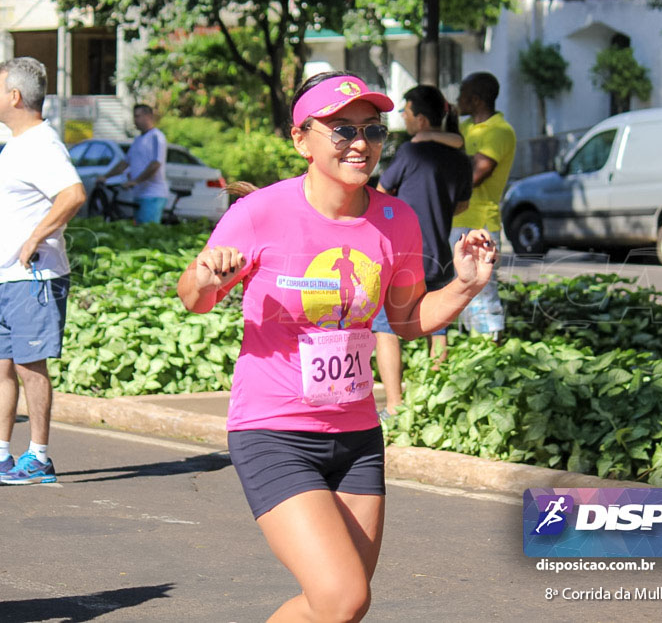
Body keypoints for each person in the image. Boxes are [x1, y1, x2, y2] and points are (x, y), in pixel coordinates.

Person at [176, 71, 496, 621]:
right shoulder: (260, 213)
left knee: (338, 608)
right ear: (302, 139)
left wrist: (464, 284)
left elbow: (407, 318)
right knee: (343, 595)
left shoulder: (397, 220)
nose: (360, 144)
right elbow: (194, 299)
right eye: (341, 130)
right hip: (273, 430)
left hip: (356, 437)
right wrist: (206, 276)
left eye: (372, 131)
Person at [0, 57, 86, 486]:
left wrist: (33, 240)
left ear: (14, 96)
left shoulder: (42, 144)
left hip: (35, 278)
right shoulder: (19, 144)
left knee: (30, 366)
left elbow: (73, 194)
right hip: (10, 279)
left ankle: (39, 457)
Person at [373, 85, 472, 416]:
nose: (403, 117)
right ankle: (435, 401)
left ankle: (396, 406)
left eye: (406, 111)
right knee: (438, 326)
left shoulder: (411, 153)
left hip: (403, 254)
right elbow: (462, 205)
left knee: (385, 329)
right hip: (440, 254)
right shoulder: (460, 158)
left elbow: (382, 191)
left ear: (421, 117)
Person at [449, 72, 517, 341]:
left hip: (481, 222)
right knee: (463, 289)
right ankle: (473, 352)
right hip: (458, 221)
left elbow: (475, 174)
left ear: (475, 99)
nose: (458, 99)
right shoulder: (465, 129)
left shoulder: (500, 131)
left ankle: (490, 351)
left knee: (483, 288)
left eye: (462, 93)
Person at [96, 104, 169, 224]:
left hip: (153, 194)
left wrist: (136, 181)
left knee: (148, 233)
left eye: (138, 116)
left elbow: (156, 164)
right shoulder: (138, 140)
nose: (135, 120)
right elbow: (125, 163)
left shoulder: (156, 137)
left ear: (148, 116)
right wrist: (105, 177)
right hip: (139, 194)